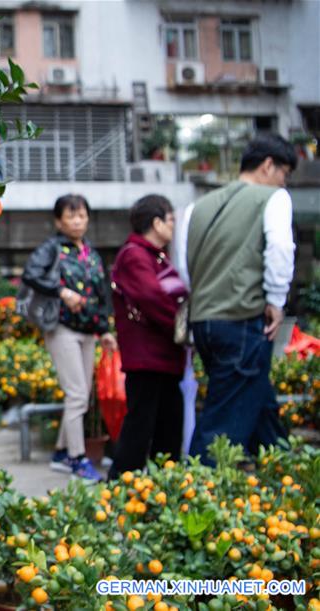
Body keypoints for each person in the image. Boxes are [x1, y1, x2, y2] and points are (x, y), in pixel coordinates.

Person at [178, 134, 297, 464]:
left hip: (203, 321)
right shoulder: (273, 197)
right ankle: (195, 493)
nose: (284, 181)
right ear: (268, 165)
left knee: (254, 396)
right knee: (223, 418)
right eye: (284, 173)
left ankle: (285, 471)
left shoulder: (196, 208)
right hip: (242, 317)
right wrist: (276, 300)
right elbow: (280, 249)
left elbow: (184, 267)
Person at [22, 194, 117, 481]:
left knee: (81, 395)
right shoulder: (52, 249)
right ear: (58, 221)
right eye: (70, 216)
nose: (77, 221)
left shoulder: (91, 253)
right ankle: (77, 459)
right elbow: (30, 274)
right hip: (61, 328)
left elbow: (101, 296)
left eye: (82, 215)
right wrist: (61, 292)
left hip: (88, 331)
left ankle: (63, 452)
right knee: (77, 395)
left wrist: (104, 331)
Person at [108, 195, 187, 479]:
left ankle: (162, 489)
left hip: (162, 358)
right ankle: (119, 487)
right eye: (170, 220)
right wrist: (183, 328)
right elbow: (152, 298)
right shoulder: (134, 254)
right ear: (156, 222)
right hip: (148, 358)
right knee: (141, 428)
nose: (173, 226)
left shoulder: (154, 255)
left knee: (167, 427)